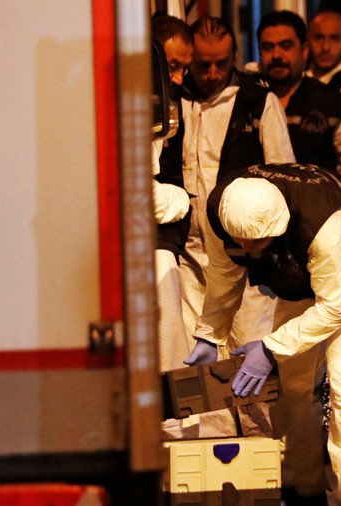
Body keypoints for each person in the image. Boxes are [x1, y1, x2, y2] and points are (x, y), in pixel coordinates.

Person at [186, 163, 341, 505]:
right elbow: (223, 275)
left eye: (257, 242)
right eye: (240, 242)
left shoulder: (324, 225)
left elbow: (336, 306)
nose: (248, 251)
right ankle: (304, 488)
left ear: (280, 227)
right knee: (294, 388)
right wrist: (210, 333)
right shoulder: (221, 211)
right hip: (299, 285)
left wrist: (271, 347)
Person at [178, 16, 295, 436]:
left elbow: (283, 174)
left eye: (221, 63)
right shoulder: (176, 100)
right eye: (203, 64)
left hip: (248, 256)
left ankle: (265, 452)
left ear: (234, 58)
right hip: (189, 255)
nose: (212, 73)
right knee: (199, 366)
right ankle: (212, 451)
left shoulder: (257, 101)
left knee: (252, 364)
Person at [150, 14, 193, 373]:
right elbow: (140, 193)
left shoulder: (170, 103)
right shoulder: (145, 105)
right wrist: (180, 201)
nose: (178, 78)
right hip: (154, 243)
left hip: (168, 240)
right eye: (173, 65)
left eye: (184, 68)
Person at [257, 10, 341, 179]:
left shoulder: (333, 103)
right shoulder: (247, 100)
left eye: (286, 46)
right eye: (268, 47)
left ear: (304, 51)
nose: (276, 55)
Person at [306, 10, 341, 94]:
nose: (325, 47)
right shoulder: (296, 76)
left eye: (335, 39)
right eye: (319, 38)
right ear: (308, 40)